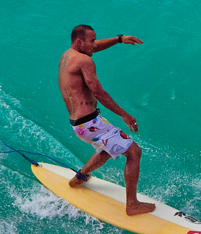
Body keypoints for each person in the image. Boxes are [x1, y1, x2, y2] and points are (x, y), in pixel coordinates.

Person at [58, 24, 156, 216]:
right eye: (92, 40)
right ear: (80, 41)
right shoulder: (84, 61)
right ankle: (132, 205)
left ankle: (80, 176)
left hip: (79, 124)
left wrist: (118, 39)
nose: (94, 44)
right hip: (90, 123)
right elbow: (98, 92)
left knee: (105, 149)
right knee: (134, 152)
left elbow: (93, 47)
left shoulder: (67, 56)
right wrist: (124, 115)